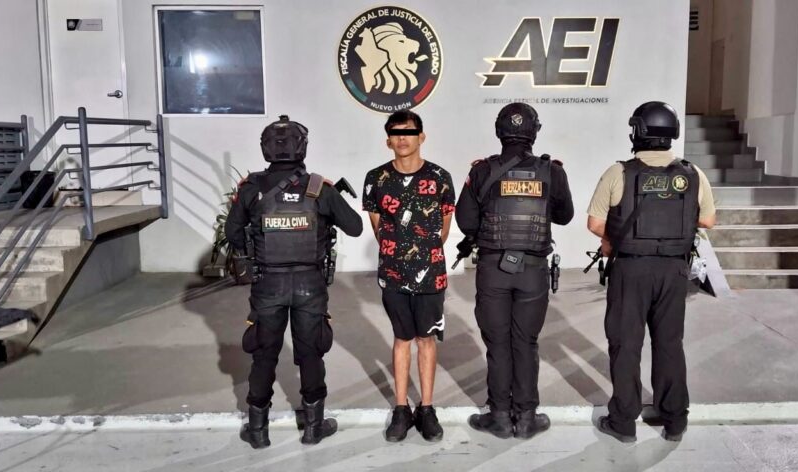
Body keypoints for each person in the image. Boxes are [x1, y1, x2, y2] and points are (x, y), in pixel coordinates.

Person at [225, 115, 363, 448]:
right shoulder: (319, 188)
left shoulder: (251, 188)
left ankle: (258, 431)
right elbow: (355, 227)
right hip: (309, 285)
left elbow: (232, 234)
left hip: (267, 284)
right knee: (311, 353)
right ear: (302, 147)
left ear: (266, 148)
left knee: (264, 355)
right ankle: (314, 427)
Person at [585, 101, 716, 443]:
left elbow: (595, 223)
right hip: (674, 270)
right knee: (670, 343)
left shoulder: (618, 172)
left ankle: (623, 421)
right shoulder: (692, 173)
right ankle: (674, 419)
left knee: (626, 344)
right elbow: (707, 220)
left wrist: (615, 238)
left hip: (631, 269)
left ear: (637, 132)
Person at [455, 102, 574, 439]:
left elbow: (466, 222)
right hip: (533, 271)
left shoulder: (482, 171)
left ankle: (499, 417)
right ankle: (526, 417)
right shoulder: (552, 172)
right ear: (535, 132)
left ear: (499, 131)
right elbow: (565, 216)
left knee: (498, 344)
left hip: (493, 269)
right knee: (526, 343)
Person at [363, 110, 455, 442]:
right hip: (393, 274)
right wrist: (399, 254)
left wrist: (420, 253)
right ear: (388, 139)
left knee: (426, 339)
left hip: (431, 275)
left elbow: (443, 231)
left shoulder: (440, 177)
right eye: (396, 132)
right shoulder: (376, 178)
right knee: (402, 338)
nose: (403, 138)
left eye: (409, 132)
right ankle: (401, 409)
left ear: (422, 137)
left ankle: (426, 408)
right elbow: (379, 229)